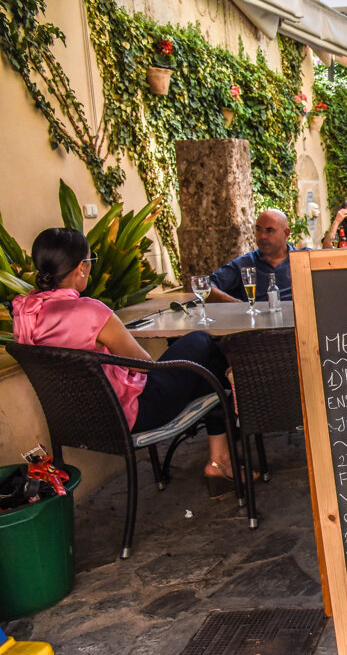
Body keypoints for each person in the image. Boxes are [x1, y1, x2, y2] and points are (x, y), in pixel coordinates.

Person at [13, 228, 239, 495]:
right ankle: (233, 409)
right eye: (89, 261)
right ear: (80, 269)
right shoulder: (90, 311)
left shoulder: (25, 312)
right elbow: (143, 365)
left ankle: (219, 461)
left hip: (78, 420)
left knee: (207, 371)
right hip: (130, 414)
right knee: (200, 340)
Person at [208, 210, 303, 303]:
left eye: (269, 230)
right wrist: (236, 304)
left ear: (286, 233)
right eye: (258, 229)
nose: (262, 236)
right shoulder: (245, 263)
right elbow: (207, 286)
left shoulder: (304, 259)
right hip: (258, 316)